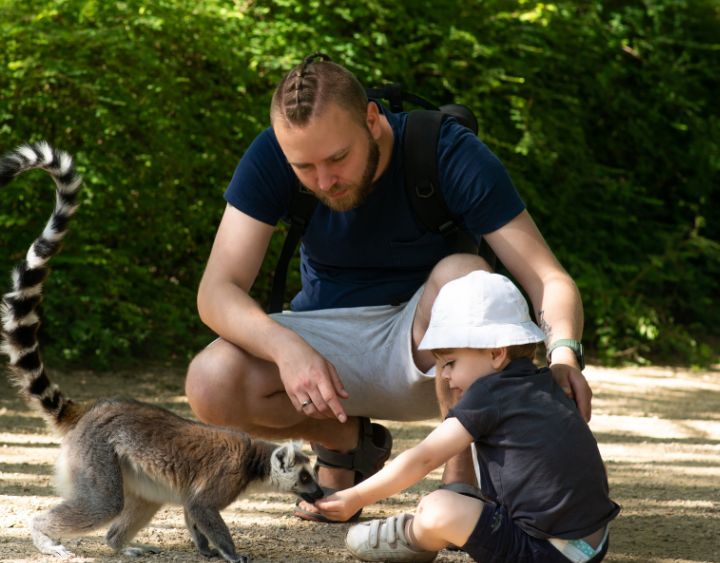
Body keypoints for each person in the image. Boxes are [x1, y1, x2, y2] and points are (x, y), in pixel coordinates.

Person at [184, 52, 591, 522]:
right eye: (304, 168)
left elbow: (547, 277)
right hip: (324, 344)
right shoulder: (273, 154)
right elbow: (216, 290)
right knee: (209, 382)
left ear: (373, 120)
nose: (324, 181)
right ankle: (345, 446)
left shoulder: (445, 151)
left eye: (338, 158)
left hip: (432, 347)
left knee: (463, 271)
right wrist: (285, 348)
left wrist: (564, 354)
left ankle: (460, 479)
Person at [315, 270, 620, 563]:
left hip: (545, 555)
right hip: (593, 546)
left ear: (496, 353)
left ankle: (414, 536)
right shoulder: (546, 383)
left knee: (438, 507)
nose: (444, 376)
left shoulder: (489, 393)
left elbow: (423, 459)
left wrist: (354, 497)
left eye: (450, 362)